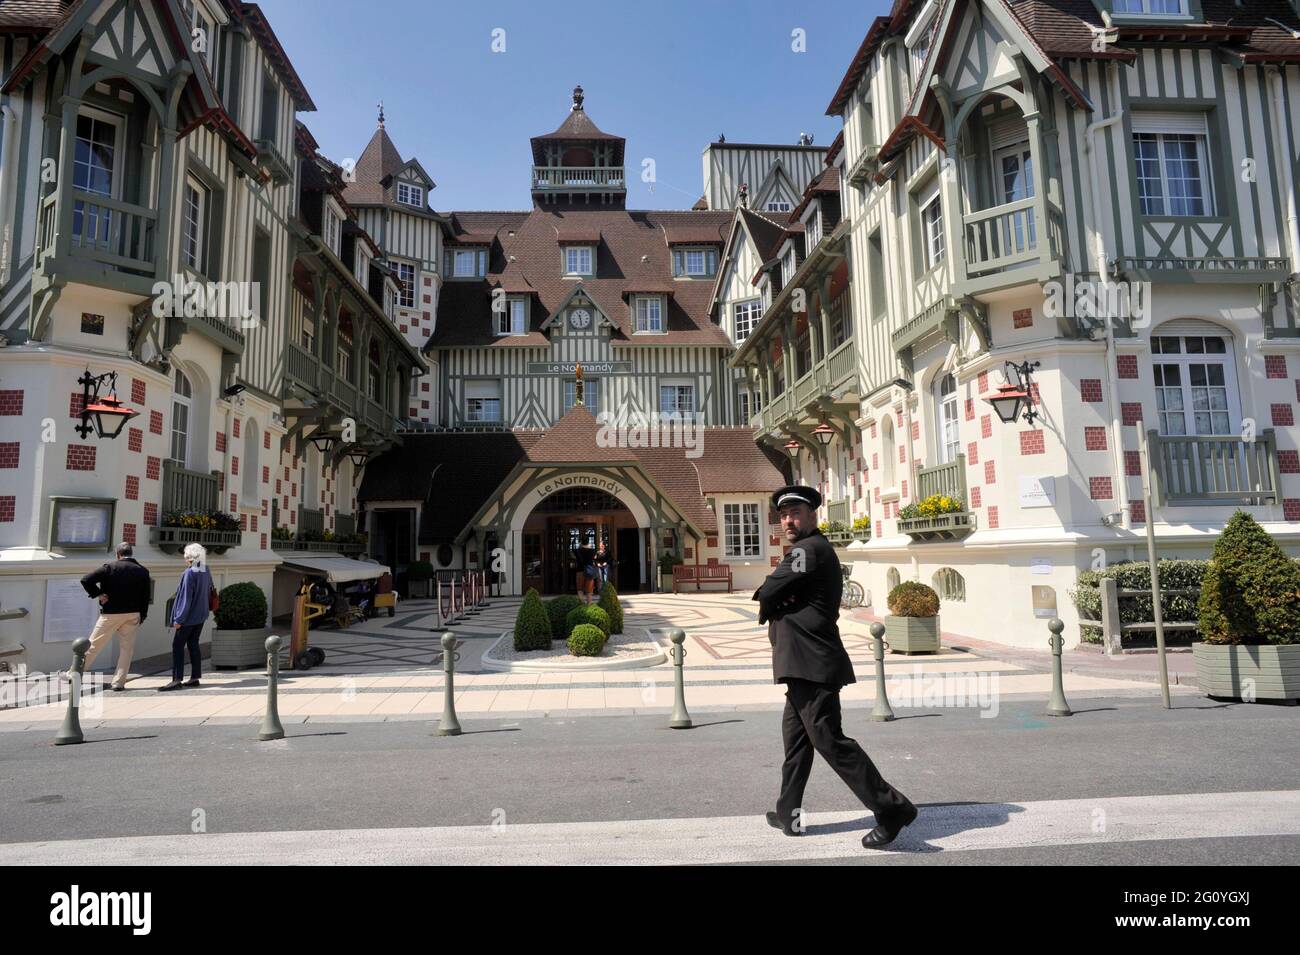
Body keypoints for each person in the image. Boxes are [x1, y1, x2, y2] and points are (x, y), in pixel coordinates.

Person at [753, 484, 918, 849]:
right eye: (783, 514)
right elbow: (773, 594)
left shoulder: (807, 550)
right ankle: (788, 814)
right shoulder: (806, 550)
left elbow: (766, 592)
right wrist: (779, 597)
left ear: (813, 515)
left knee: (830, 741)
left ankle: (893, 808)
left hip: (813, 665)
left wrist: (776, 598)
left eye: (795, 513)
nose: (788, 520)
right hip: (803, 665)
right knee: (796, 744)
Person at [76, 542, 152, 691]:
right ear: (131, 553)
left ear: (118, 554)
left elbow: (86, 579)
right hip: (133, 614)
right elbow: (145, 597)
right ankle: (118, 682)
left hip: (110, 613)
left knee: (93, 645)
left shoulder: (109, 568)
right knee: (126, 649)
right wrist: (142, 616)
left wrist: (99, 594)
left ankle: (75, 673)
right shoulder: (142, 571)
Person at [161, 543, 213, 691]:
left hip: (189, 617)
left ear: (189, 557)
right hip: (201, 615)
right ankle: (195, 677)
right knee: (193, 644)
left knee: (177, 646)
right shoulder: (205, 569)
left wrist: (179, 619)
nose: (184, 559)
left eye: (185, 556)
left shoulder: (189, 573)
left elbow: (185, 598)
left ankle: (177, 679)